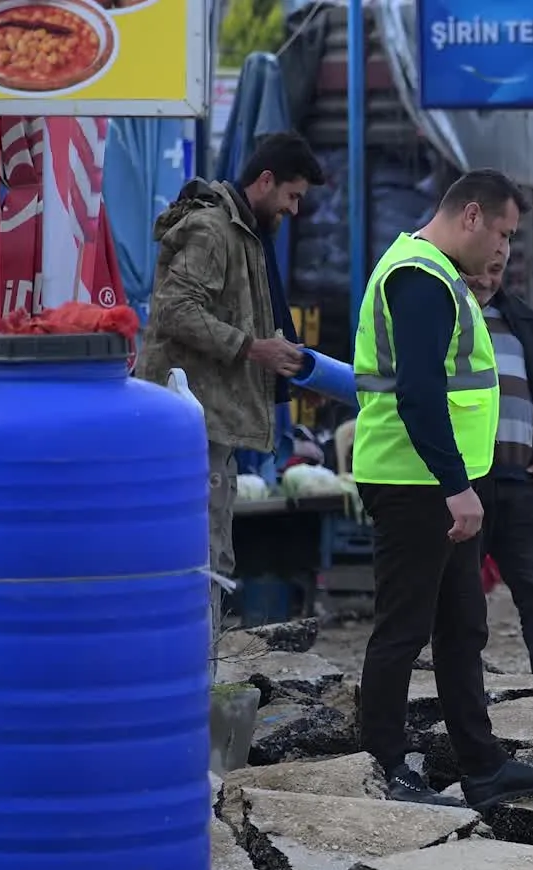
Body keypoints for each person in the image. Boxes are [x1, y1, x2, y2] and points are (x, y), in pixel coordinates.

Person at [350, 169, 533, 809]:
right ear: (471, 215)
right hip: (415, 482)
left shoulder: (440, 276)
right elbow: (418, 395)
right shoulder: (419, 277)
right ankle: (386, 767)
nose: (503, 249)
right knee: (404, 629)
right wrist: (456, 487)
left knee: (462, 627)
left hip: (438, 482)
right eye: (501, 232)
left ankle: (482, 765)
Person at [139, 132, 325, 639]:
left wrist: (285, 364)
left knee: (212, 551)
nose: (292, 210)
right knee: (199, 554)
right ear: (265, 181)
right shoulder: (212, 229)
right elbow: (174, 311)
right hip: (189, 427)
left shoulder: (243, 233)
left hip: (211, 423)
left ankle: (200, 676)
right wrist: (252, 348)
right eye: (292, 196)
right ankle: (191, 682)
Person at [463, 260, 533, 687]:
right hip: (465, 481)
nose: (486, 278)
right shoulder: (447, 314)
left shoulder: (523, 319)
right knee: (461, 595)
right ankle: (461, 686)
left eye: (495, 270)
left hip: (520, 481)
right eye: (480, 269)